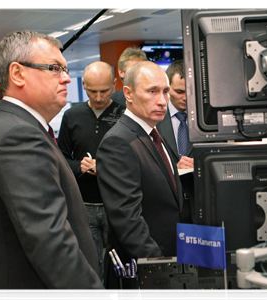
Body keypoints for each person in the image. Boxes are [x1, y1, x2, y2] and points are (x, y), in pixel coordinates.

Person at [0, 30, 111, 300]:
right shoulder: (18, 137)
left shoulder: (6, 126)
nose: (67, 77)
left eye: (65, 69)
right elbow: (51, 245)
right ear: (18, 74)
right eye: (55, 68)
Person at [97, 61, 185, 292]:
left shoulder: (153, 132)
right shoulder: (119, 142)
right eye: (152, 91)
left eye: (165, 91)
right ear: (128, 93)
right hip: (143, 271)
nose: (162, 100)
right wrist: (161, 267)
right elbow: (128, 220)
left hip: (170, 261)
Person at [57, 61, 125, 280]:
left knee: (118, 265)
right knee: (88, 266)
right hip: (82, 205)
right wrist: (80, 166)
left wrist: (104, 167)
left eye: (104, 91)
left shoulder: (125, 114)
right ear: (83, 85)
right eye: (92, 91)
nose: (98, 97)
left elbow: (135, 161)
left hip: (115, 203)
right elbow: (61, 159)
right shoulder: (72, 116)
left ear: (115, 84)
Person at [157, 60, 195, 223]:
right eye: (179, 91)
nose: (185, 97)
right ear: (167, 89)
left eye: (189, 91)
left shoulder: (207, 120)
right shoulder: (154, 119)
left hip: (198, 203)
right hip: (166, 205)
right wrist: (173, 169)